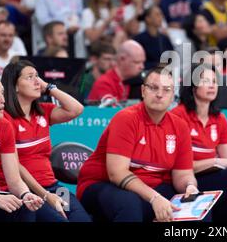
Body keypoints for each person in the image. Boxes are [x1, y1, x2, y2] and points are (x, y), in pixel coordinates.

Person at [77, 66, 201, 222]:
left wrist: (189, 186)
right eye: (153, 88)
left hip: (148, 187)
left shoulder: (180, 126)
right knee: (130, 204)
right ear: (143, 91)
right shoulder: (126, 119)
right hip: (101, 184)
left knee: (195, 207)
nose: (159, 94)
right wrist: (154, 198)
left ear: (173, 96)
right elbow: (117, 174)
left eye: (166, 90)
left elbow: (183, 174)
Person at [0, 60, 91, 222]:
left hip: (52, 186)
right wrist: (45, 195)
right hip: (23, 191)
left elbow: (76, 109)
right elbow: (16, 166)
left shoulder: (43, 112)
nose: (37, 82)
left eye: (38, 77)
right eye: (29, 77)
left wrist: (49, 87)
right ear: (15, 86)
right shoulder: (5, 119)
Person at [171, 64, 227, 222]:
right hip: (187, 182)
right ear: (192, 86)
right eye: (205, 80)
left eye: (215, 81)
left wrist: (222, 162)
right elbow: (177, 166)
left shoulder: (219, 118)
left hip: (214, 180)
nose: (212, 85)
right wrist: (215, 161)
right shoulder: (177, 116)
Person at [0, 73, 44, 222]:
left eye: (2, 93)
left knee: (23, 208)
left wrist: (26, 194)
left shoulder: (3, 126)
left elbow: (14, 180)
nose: (3, 100)